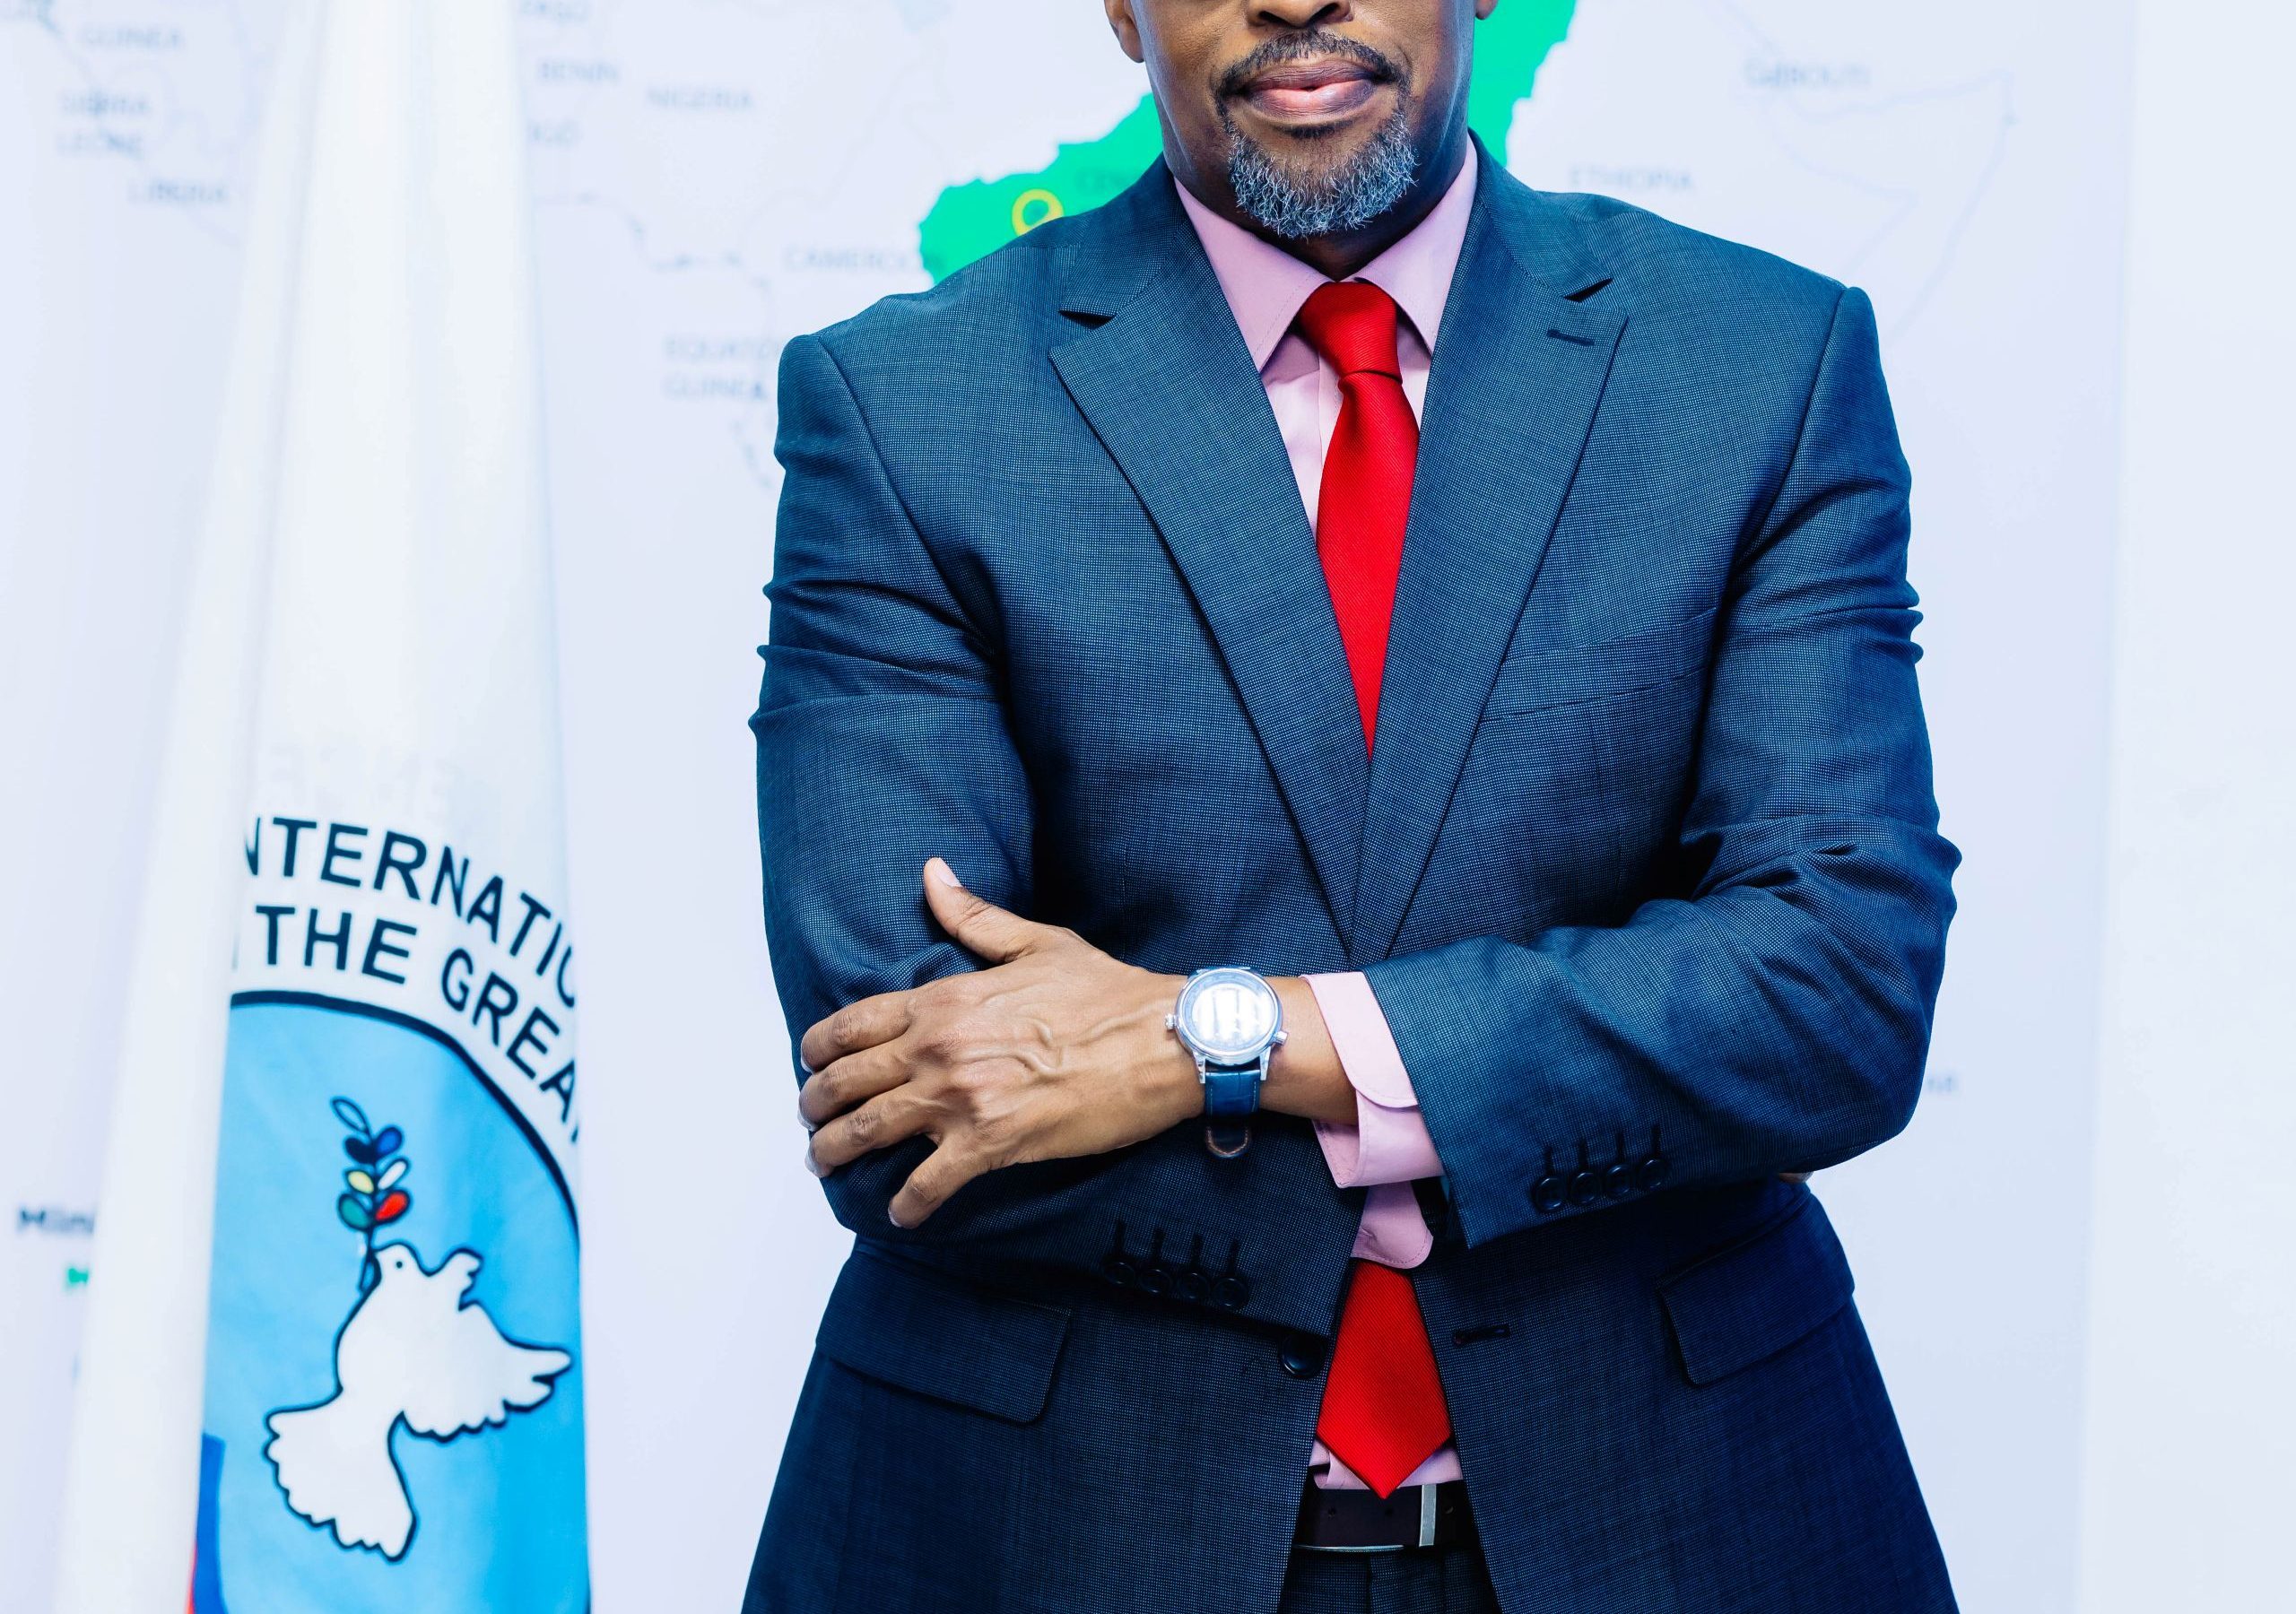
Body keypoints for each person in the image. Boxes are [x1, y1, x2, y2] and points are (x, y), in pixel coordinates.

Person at [744, 1, 1961, 1609]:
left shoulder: (1757, 366)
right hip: (1057, 1533)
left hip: (1677, 1521)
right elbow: (911, 1090)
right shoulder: (910, 406)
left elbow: (1835, 994)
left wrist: (1212, 1045)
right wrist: (1499, 1107)